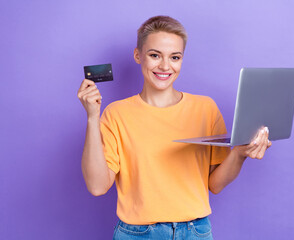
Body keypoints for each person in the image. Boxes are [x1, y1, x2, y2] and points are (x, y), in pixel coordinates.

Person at [77, 15, 271, 240]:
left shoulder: (206, 109)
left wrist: (239, 154)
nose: (165, 66)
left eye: (175, 57)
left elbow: (215, 185)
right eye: (154, 55)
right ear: (138, 55)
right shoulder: (116, 114)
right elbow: (97, 186)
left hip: (196, 232)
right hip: (137, 234)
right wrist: (92, 117)